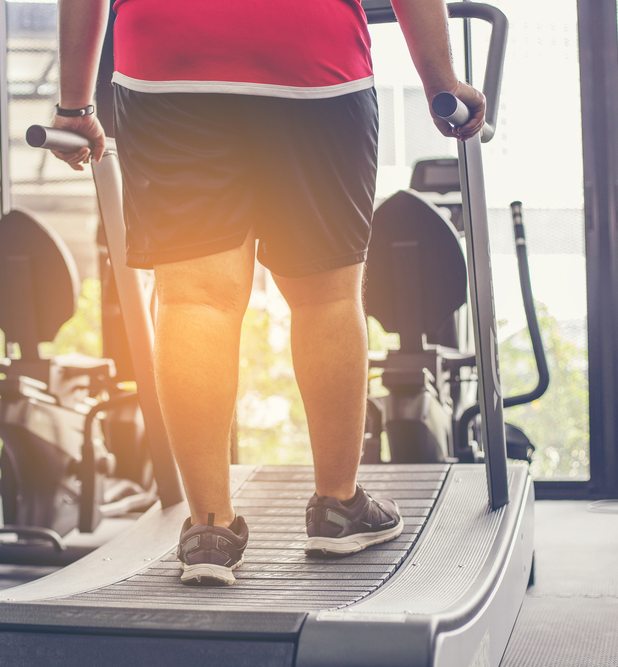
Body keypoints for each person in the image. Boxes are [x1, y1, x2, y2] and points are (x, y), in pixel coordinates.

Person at [50, 0, 486, 586]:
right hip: (311, 60)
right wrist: (442, 82)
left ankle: (208, 528)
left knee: (193, 298)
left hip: (168, 59)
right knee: (326, 297)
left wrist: (75, 104)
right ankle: (338, 506)